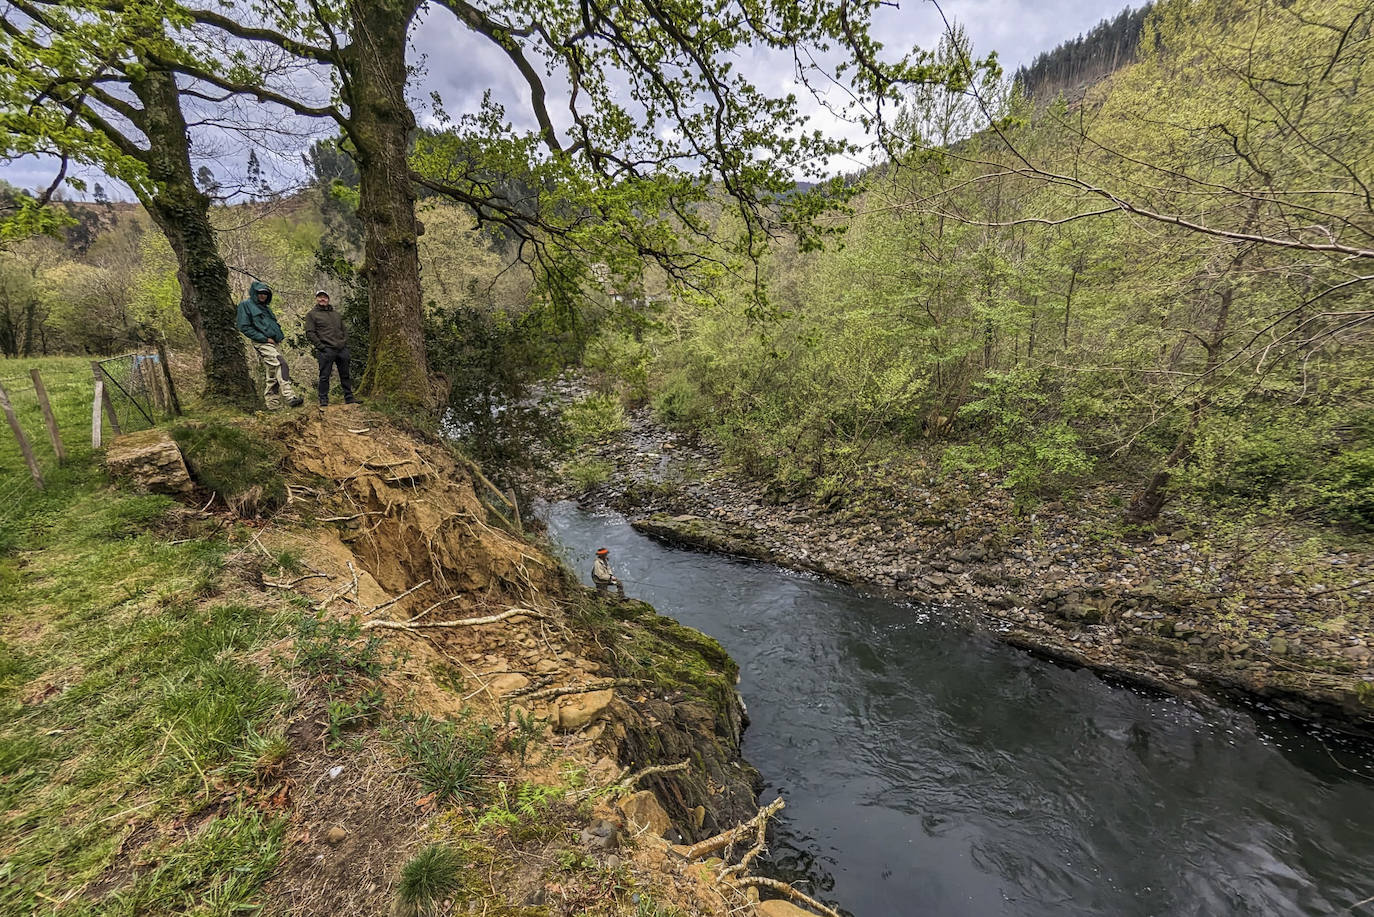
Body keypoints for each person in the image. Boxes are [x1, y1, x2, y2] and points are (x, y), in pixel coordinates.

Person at [236, 280, 303, 409]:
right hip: (262, 342)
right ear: (255, 293)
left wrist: (278, 337)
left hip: (274, 343)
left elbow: (272, 325)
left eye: (265, 293)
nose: (263, 295)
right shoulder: (246, 305)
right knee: (281, 363)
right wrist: (264, 339)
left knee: (272, 374)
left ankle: (273, 405)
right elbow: (244, 327)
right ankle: (290, 397)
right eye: (260, 293)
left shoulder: (266, 308)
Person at [304, 289, 359, 407]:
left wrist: (343, 342)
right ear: (316, 299)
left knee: (345, 374)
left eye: (324, 297)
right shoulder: (311, 315)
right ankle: (323, 400)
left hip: (341, 349)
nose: (322, 299)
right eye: (320, 297)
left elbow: (344, 330)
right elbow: (310, 333)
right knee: (324, 375)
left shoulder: (336, 314)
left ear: (328, 299)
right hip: (326, 350)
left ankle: (349, 398)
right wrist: (321, 346)